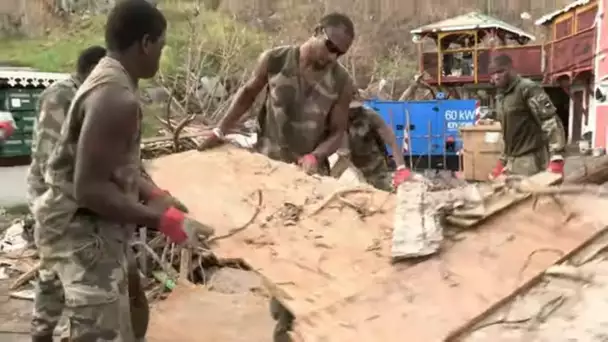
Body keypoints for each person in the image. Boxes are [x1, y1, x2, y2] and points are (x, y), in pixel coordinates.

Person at [31, 1, 213, 341]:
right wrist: (162, 221)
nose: (161, 53)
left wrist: (154, 194)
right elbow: (90, 189)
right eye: (161, 44)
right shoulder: (117, 98)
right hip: (85, 240)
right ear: (146, 43)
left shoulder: (110, 79)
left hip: (82, 233)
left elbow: (113, 164)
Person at [197, 12, 354, 177]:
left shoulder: (341, 82)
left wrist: (315, 157)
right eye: (330, 46)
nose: (332, 56)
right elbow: (248, 94)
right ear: (317, 31)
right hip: (267, 165)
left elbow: (338, 132)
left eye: (339, 53)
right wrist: (220, 130)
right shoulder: (275, 60)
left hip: (307, 174)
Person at [27, 45, 107, 342]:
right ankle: (43, 331)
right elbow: (51, 160)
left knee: (58, 274)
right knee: (54, 273)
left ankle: (48, 330)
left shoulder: (84, 95)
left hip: (68, 200)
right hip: (54, 201)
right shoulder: (62, 95)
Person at [489, 54, 566, 178]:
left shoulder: (528, 89)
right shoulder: (501, 97)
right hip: (512, 161)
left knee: (531, 196)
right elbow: (508, 133)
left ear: (511, 69)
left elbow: (550, 121)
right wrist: (502, 161)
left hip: (532, 160)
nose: (496, 76)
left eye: (501, 71)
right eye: (493, 73)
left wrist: (556, 158)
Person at [341, 90, 411, 191]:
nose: (353, 111)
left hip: (375, 169)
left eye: (356, 108)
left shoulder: (370, 116)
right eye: (350, 108)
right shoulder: (337, 118)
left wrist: (401, 167)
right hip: (351, 169)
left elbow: (391, 141)